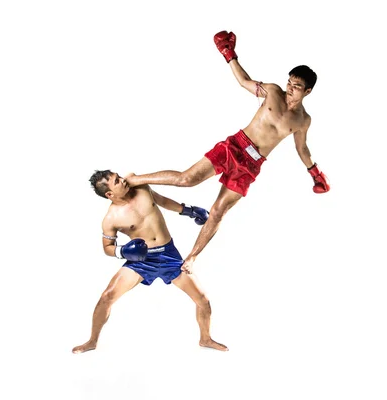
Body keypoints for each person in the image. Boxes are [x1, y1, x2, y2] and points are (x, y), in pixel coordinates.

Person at [125, 30, 330, 274]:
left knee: (218, 211)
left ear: (307, 91)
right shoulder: (273, 91)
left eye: (297, 86)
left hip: (252, 166)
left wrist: (315, 172)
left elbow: (302, 148)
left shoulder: (303, 120)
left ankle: (191, 258)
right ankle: (136, 179)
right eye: (289, 82)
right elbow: (244, 81)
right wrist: (229, 54)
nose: (290, 89)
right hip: (235, 146)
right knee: (187, 179)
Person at [72, 170, 228, 354]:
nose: (123, 180)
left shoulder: (142, 188)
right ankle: (92, 341)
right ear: (109, 194)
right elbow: (107, 247)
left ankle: (205, 338)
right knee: (107, 297)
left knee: (203, 299)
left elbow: (161, 201)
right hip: (141, 261)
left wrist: (188, 211)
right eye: (117, 181)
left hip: (169, 256)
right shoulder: (111, 219)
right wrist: (122, 251)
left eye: (119, 176)